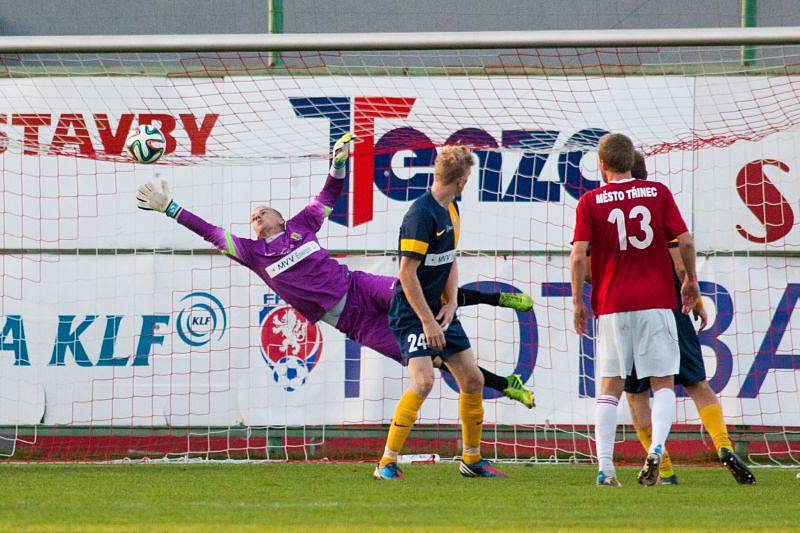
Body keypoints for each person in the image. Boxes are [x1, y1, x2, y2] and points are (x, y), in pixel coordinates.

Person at [135, 133, 534, 408]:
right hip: (351, 320)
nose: (256, 215)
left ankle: (497, 299)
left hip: (360, 286)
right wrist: (169, 208)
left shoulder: (301, 225)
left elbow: (329, 194)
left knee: (416, 289)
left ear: (278, 214)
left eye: (263, 210)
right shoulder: (252, 252)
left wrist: (338, 164)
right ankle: (505, 384)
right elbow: (208, 231)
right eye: (252, 215)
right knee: (429, 362)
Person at [570, 133, 699, 487]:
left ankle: (606, 469)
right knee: (664, 383)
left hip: (612, 304)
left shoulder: (590, 201)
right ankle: (656, 448)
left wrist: (577, 301)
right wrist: (691, 281)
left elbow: (579, 255)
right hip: (656, 301)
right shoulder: (657, 192)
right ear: (632, 161)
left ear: (602, 164)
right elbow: (685, 241)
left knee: (609, 387)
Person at [375, 145, 507, 480]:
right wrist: (427, 320)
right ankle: (386, 463)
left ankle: (471, 460)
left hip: (439, 310)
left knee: (473, 380)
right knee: (423, 382)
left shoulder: (452, 209)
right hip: (411, 312)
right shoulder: (421, 215)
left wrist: (451, 302)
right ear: (462, 180)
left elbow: (448, 259)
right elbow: (406, 274)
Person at [624, 150, 755, 484]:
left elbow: (588, 264)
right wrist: (691, 293)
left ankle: (664, 468)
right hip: (668, 305)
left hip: (626, 310)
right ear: (646, 171)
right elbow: (679, 254)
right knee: (696, 382)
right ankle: (723, 445)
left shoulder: (604, 204)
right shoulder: (657, 200)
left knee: (637, 392)